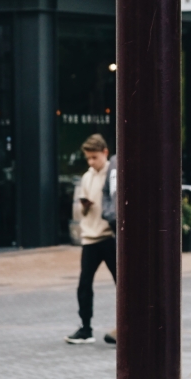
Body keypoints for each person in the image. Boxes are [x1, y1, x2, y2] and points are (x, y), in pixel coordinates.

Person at [67, 134, 116, 345]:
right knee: (84, 284)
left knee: (121, 283)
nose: (91, 162)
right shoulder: (87, 177)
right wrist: (84, 207)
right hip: (91, 237)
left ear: (105, 152)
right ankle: (85, 327)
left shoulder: (113, 173)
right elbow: (80, 211)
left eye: (94, 157)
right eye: (88, 158)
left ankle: (126, 325)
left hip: (109, 236)